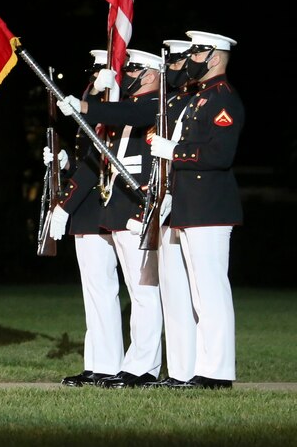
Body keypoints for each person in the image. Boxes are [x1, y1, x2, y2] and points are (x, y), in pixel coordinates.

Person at [58, 48, 165, 388]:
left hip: (135, 207)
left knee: (143, 291)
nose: (125, 74)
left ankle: (143, 367)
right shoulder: (121, 108)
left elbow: (129, 113)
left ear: (149, 74)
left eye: (130, 69)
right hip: (111, 207)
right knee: (100, 291)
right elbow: (95, 155)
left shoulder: (155, 105)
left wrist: (90, 103)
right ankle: (104, 363)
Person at [148, 31, 243, 389]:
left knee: (210, 292)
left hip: (210, 207)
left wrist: (174, 152)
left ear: (215, 57)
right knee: (196, 294)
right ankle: (194, 371)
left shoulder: (223, 99)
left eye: (198, 53)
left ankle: (216, 373)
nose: (191, 60)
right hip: (190, 205)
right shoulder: (199, 98)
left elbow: (219, 155)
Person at [45, 49, 122, 387]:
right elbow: (83, 157)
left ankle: (110, 365)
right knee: (93, 291)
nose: (92, 76)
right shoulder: (97, 95)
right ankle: (98, 363)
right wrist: (64, 164)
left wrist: (66, 204)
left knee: (102, 289)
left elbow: (97, 162)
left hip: (97, 205)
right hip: (89, 206)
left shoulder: (110, 101)